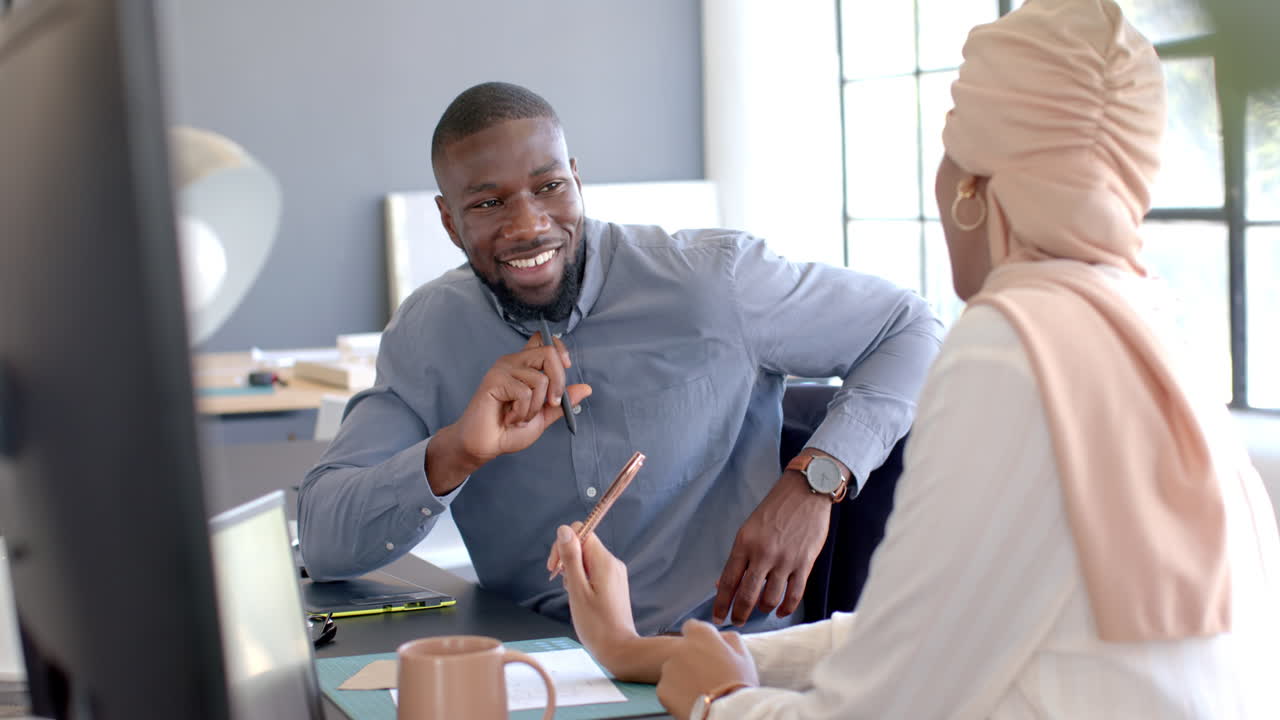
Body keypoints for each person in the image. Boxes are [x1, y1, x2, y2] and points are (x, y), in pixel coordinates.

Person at [550, 0, 1280, 717]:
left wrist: (717, 701)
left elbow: (881, 704)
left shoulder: (1009, 346)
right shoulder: (1145, 329)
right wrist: (643, 651)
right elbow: (917, 632)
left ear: (972, 186)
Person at [296, 81, 942, 635]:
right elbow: (325, 544)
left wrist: (813, 483)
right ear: (447, 221)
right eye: (488, 203)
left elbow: (909, 325)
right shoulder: (429, 332)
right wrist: (456, 451)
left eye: (548, 186)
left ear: (576, 180)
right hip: (540, 663)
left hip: (726, 661)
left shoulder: (712, 282)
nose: (527, 226)